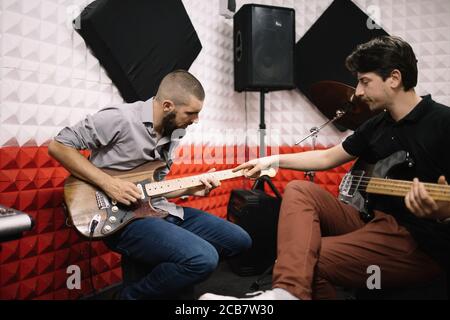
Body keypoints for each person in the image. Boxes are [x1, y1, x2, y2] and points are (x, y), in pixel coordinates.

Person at [199, 36, 450, 300]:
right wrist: (272, 161)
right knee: (299, 189)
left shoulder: (443, 123)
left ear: (395, 78)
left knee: (312, 259)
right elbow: (327, 157)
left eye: (365, 81)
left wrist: (444, 212)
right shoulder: (378, 124)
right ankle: (287, 293)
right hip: (370, 219)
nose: (358, 92)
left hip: (417, 240)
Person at [48, 69, 251, 299]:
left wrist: (192, 189)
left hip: (158, 208)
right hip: (120, 217)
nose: (196, 120)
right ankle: (129, 297)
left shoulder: (175, 131)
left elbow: (155, 185)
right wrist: (109, 184)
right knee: (203, 258)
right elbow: (59, 146)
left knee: (239, 240)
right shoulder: (121, 117)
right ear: (167, 106)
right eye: (191, 113)